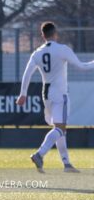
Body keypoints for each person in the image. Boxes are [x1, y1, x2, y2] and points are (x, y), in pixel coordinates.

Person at [16, 21, 94, 173]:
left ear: (43, 35)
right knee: (60, 128)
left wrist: (23, 94)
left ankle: (66, 164)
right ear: (55, 33)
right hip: (60, 94)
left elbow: (27, 73)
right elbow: (82, 67)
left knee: (59, 129)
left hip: (46, 95)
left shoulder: (37, 53)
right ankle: (40, 153)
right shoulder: (62, 49)